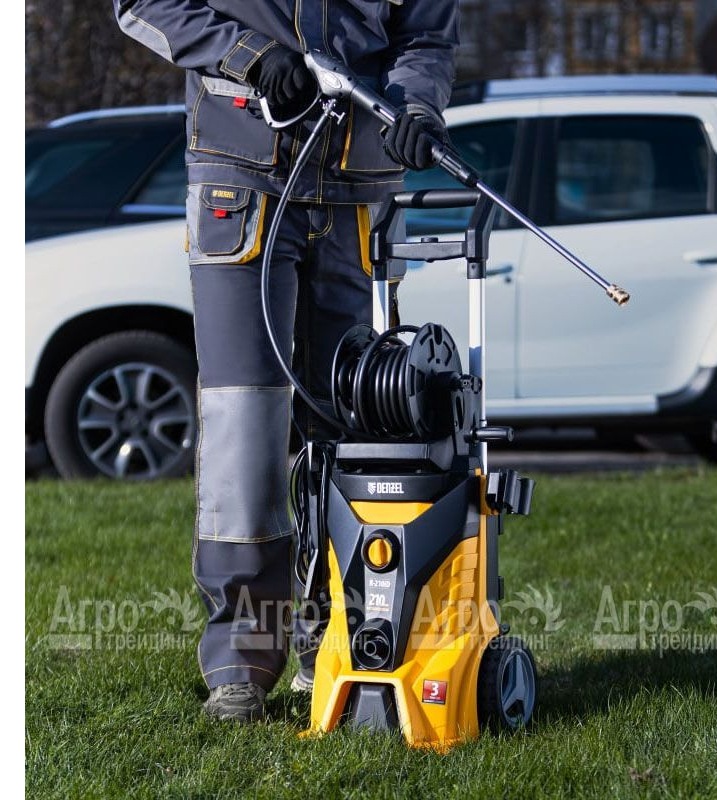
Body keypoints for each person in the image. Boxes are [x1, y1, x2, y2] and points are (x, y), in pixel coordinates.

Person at [112, 0, 460, 722]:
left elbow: (425, 36)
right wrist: (249, 56)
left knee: (357, 424)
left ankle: (337, 639)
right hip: (242, 175)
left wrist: (417, 106)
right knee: (245, 423)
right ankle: (240, 659)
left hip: (359, 188)